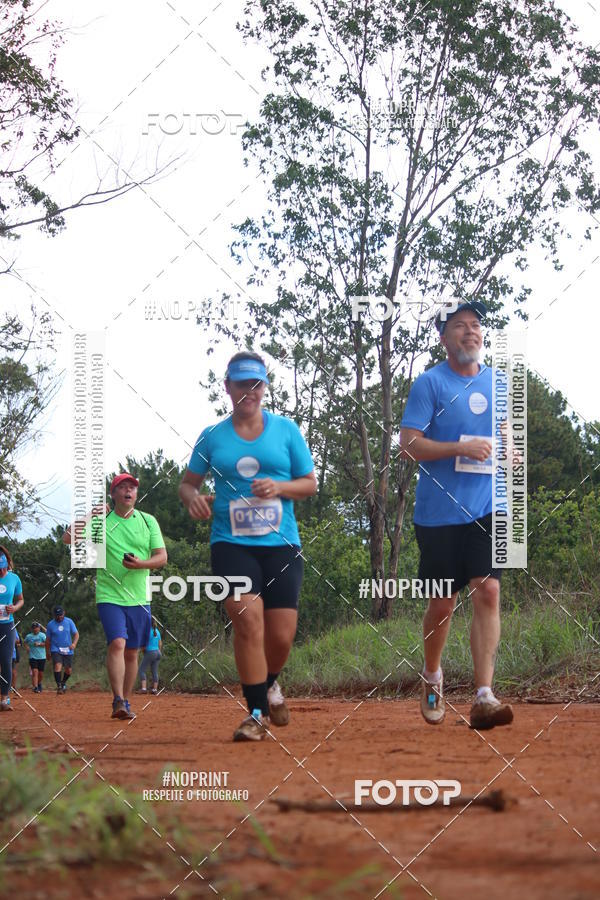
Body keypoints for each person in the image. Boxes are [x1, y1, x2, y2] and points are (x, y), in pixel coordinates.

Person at [179, 351, 317, 742]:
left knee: (281, 635)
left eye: (256, 384)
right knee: (245, 617)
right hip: (230, 542)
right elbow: (188, 483)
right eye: (242, 384)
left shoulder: (287, 431)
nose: (249, 391)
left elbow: (309, 484)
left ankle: (270, 683)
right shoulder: (212, 436)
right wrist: (193, 497)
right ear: (228, 387)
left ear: (264, 388)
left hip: (281, 543)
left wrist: (280, 487)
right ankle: (255, 713)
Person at [400, 301, 514, 731]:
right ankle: (432, 675)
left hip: (490, 507)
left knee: (487, 591)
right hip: (438, 514)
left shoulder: (498, 383)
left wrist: (510, 451)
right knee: (443, 603)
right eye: (460, 326)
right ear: (444, 338)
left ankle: (484, 695)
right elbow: (409, 444)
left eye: (476, 326)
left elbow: (505, 437)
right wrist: (459, 448)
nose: (471, 332)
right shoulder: (430, 384)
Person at [62, 473, 167, 719]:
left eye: (132, 487)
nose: (128, 490)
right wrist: (92, 514)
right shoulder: (102, 522)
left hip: (139, 596)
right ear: (114, 493)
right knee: (118, 643)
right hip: (109, 595)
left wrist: (141, 564)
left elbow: (161, 557)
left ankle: (125, 701)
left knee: (132, 652)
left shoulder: (148, 521)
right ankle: (118, 699)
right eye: (123, 487)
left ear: (137, 494)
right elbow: (68, 538)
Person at [0, 546, 24, 711]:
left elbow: (21, 600)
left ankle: (4, 698)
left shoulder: (14, 578)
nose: (1, 572)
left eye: (2, 568)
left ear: (7, 565)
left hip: (7, 625)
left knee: (6, 661)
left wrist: (14, 608)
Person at [45, 607, 79, 694]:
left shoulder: (69, 621)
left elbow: (76, 634)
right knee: (57, 665)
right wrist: (47, 652)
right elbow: (48, 640)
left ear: (64, 613)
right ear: (54, 615)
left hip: (68, 649)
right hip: (55, 649)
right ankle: (59, 686)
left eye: (61, 615)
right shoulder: (50, 624)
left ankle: (63, 682)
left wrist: (74, 644)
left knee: (68, 670)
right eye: (57, 615)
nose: (59, 617)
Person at [138, 618, 162, 694]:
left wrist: (138, 651)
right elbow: (160, 644)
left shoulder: (147, 632)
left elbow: (143, 646)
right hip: (158, 652)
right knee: (154, 671)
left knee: (141, 670)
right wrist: (158, 651)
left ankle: (144, 689)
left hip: (150, 652)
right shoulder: (157, 631)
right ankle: (155, 690)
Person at [24, 622, 47, 693]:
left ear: (39, 628)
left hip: (42, 657)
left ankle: (39, 683)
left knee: (41, 673)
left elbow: (47, 644)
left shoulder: (42, 635)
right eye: (34, 628)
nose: (35, 629)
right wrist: (27, 647)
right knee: (35, 671)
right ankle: (35, 687)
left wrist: (39, 644)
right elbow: (25, 642)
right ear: (32, 629)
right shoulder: (29, 636)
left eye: (36, 628)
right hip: (32, 656)